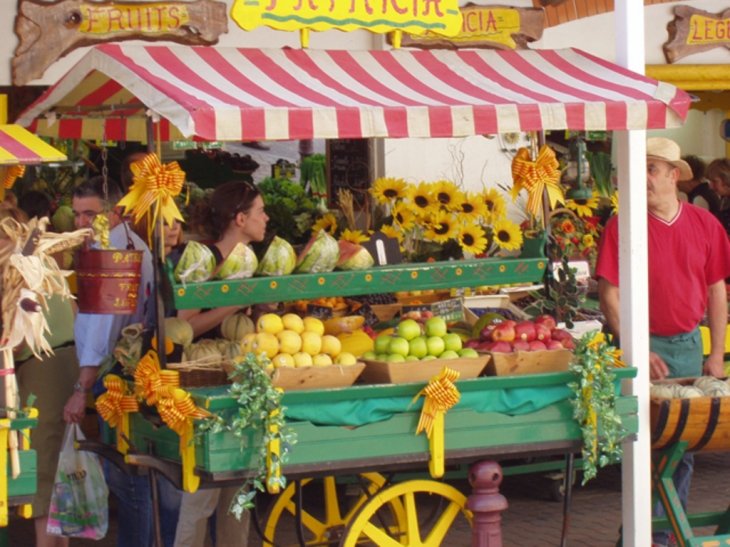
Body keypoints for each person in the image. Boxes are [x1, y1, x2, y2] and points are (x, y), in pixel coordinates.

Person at [595, 138, 730, 547]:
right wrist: (636, 346)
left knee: (682, 451)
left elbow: (717, 290)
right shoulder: (622, 225)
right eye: (640, 168)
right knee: (640, 448)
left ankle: (663, 535)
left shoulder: (706, 224)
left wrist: (716, 354)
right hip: (643, 348)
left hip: (688, 345)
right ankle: (644, 534)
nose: (644, 177)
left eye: (652, 168)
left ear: (675, 176)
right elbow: (608, 295)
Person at [173, 180, 269, 547]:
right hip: (204, 388)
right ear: (240, 218)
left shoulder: (253, 262)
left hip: (240, 386)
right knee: (201, 494)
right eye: (260, 212)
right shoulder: (203, 259)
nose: (266, 218)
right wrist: (235, 301)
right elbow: (186, 325)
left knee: (238, 497)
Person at [64, 175, 157, 547]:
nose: (81, 223)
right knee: (130, 478)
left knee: (126, 480)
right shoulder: (127, 246)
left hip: (115, 377)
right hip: (123, 373)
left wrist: (80, 389)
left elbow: (104, 332)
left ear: (115, 211)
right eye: (76, 215)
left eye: (90, 214)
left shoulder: (115, 255)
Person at [0, 207, 79, 547]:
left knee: (43, 471)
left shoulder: (18, 270)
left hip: (42, 369)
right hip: (66, 362)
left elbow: (14, 341)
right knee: (58, 466)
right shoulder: (44, 262)